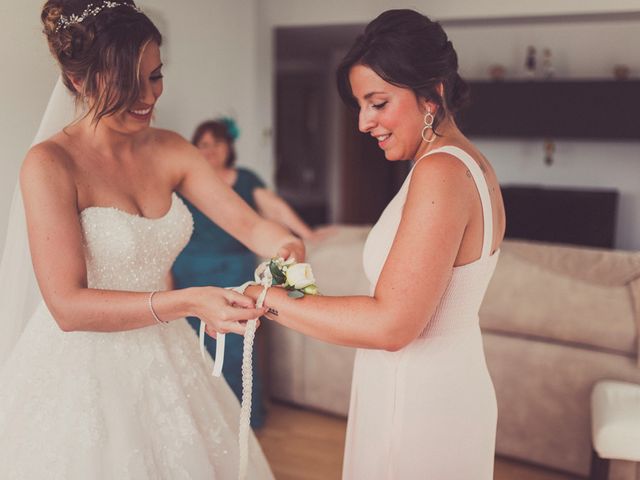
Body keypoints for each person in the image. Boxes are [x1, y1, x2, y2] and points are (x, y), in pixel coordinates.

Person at [0, 1, 305, 478]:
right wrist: (189, 301)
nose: (148, 97)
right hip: (82, 371)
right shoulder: (50, 164)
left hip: (168, 355)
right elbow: (67, 306)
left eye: (155, 76)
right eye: (127, 82)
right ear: (78, 81)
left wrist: (287, 250)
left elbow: (251, 227)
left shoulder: (171, 149)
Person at [244, 9, 506, 480]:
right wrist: (292, 273)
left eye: (378, 103)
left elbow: (390, 325)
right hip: (441, 383)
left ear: (433, 93)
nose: (364, 123)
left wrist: (264, 298)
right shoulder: (468, 164)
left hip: (418, 400)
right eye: (360, 106)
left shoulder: (441, 173)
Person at [172, 118, 324, 428]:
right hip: (190, 270)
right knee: (192, 349)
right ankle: (204, 425)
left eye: (216, 142)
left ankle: (243, 421)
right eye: (202, 144)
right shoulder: (182, 183)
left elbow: (275, 208)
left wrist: (304, 235)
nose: (210, 149)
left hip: (233, 269)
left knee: (236, 348)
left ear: (229, 147)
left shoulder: (245, 179)